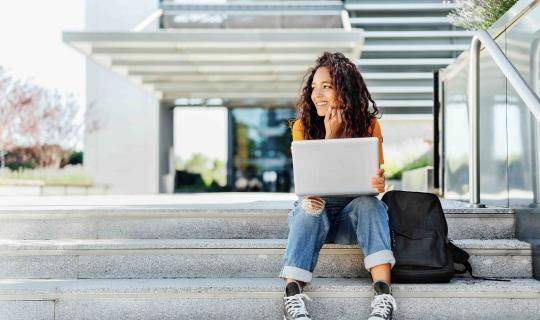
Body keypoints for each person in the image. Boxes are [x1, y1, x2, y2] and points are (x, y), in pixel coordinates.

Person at [280, 52, 397, 320]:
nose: (317, 95)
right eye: (313, 88)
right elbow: (311, 185)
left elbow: (374, 182)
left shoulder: (369, 125)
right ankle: (292, 295)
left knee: (371, 203)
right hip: (315, 220)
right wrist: (331, 136)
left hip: (352, 222)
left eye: (326, 87)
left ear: (345, 89)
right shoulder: (303, 127)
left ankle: (383, 297)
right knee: (309, 205)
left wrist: (377, 182)